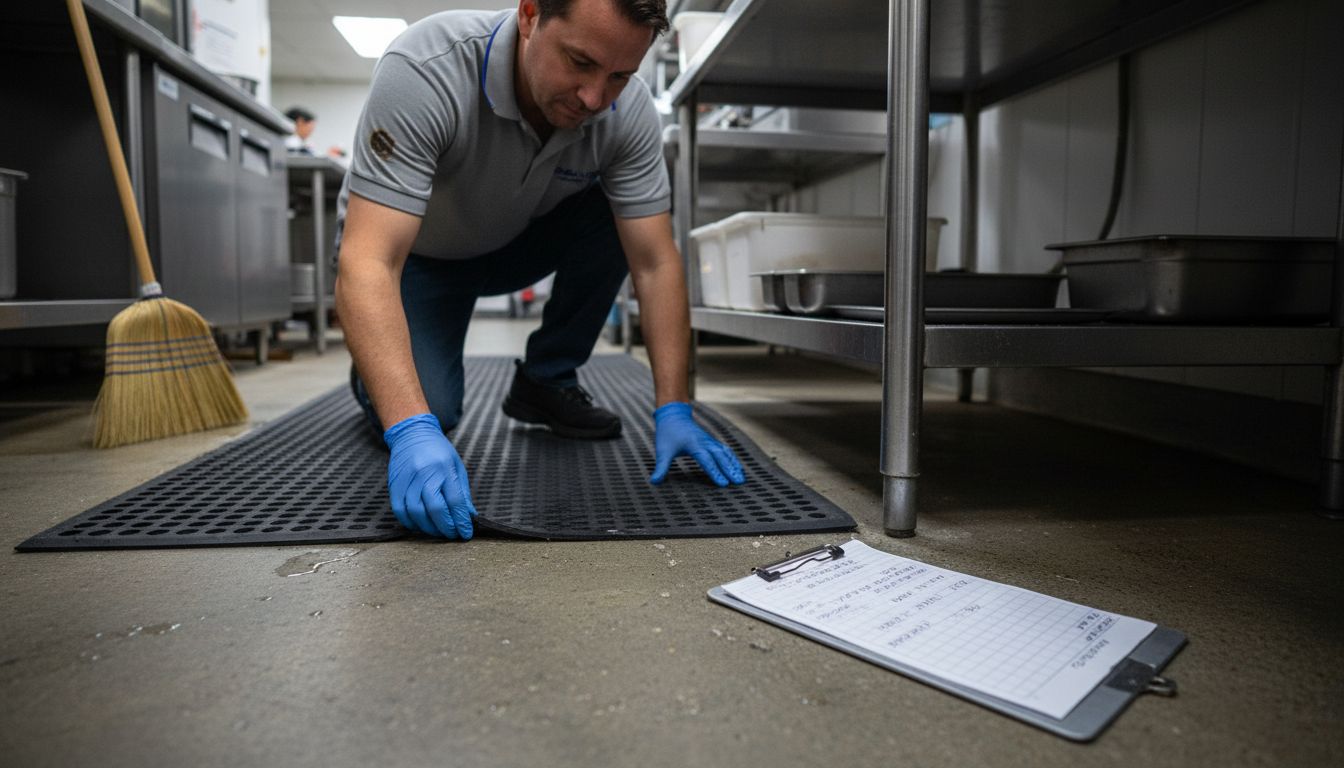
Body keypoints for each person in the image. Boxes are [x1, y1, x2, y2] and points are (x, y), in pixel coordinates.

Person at [334, 0, 746, 541]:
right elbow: (367, 260)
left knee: (623, 213)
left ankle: (546, 380)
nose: (595, 98)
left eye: (620, 75)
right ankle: (374, 368)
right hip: (421, 260)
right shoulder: (428, 67)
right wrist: (410, 427)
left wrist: (674, 407)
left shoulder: (626, 113)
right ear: (530, 15)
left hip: (513, 243)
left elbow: (654, 262)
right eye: (579, 62)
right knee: (432, 408)